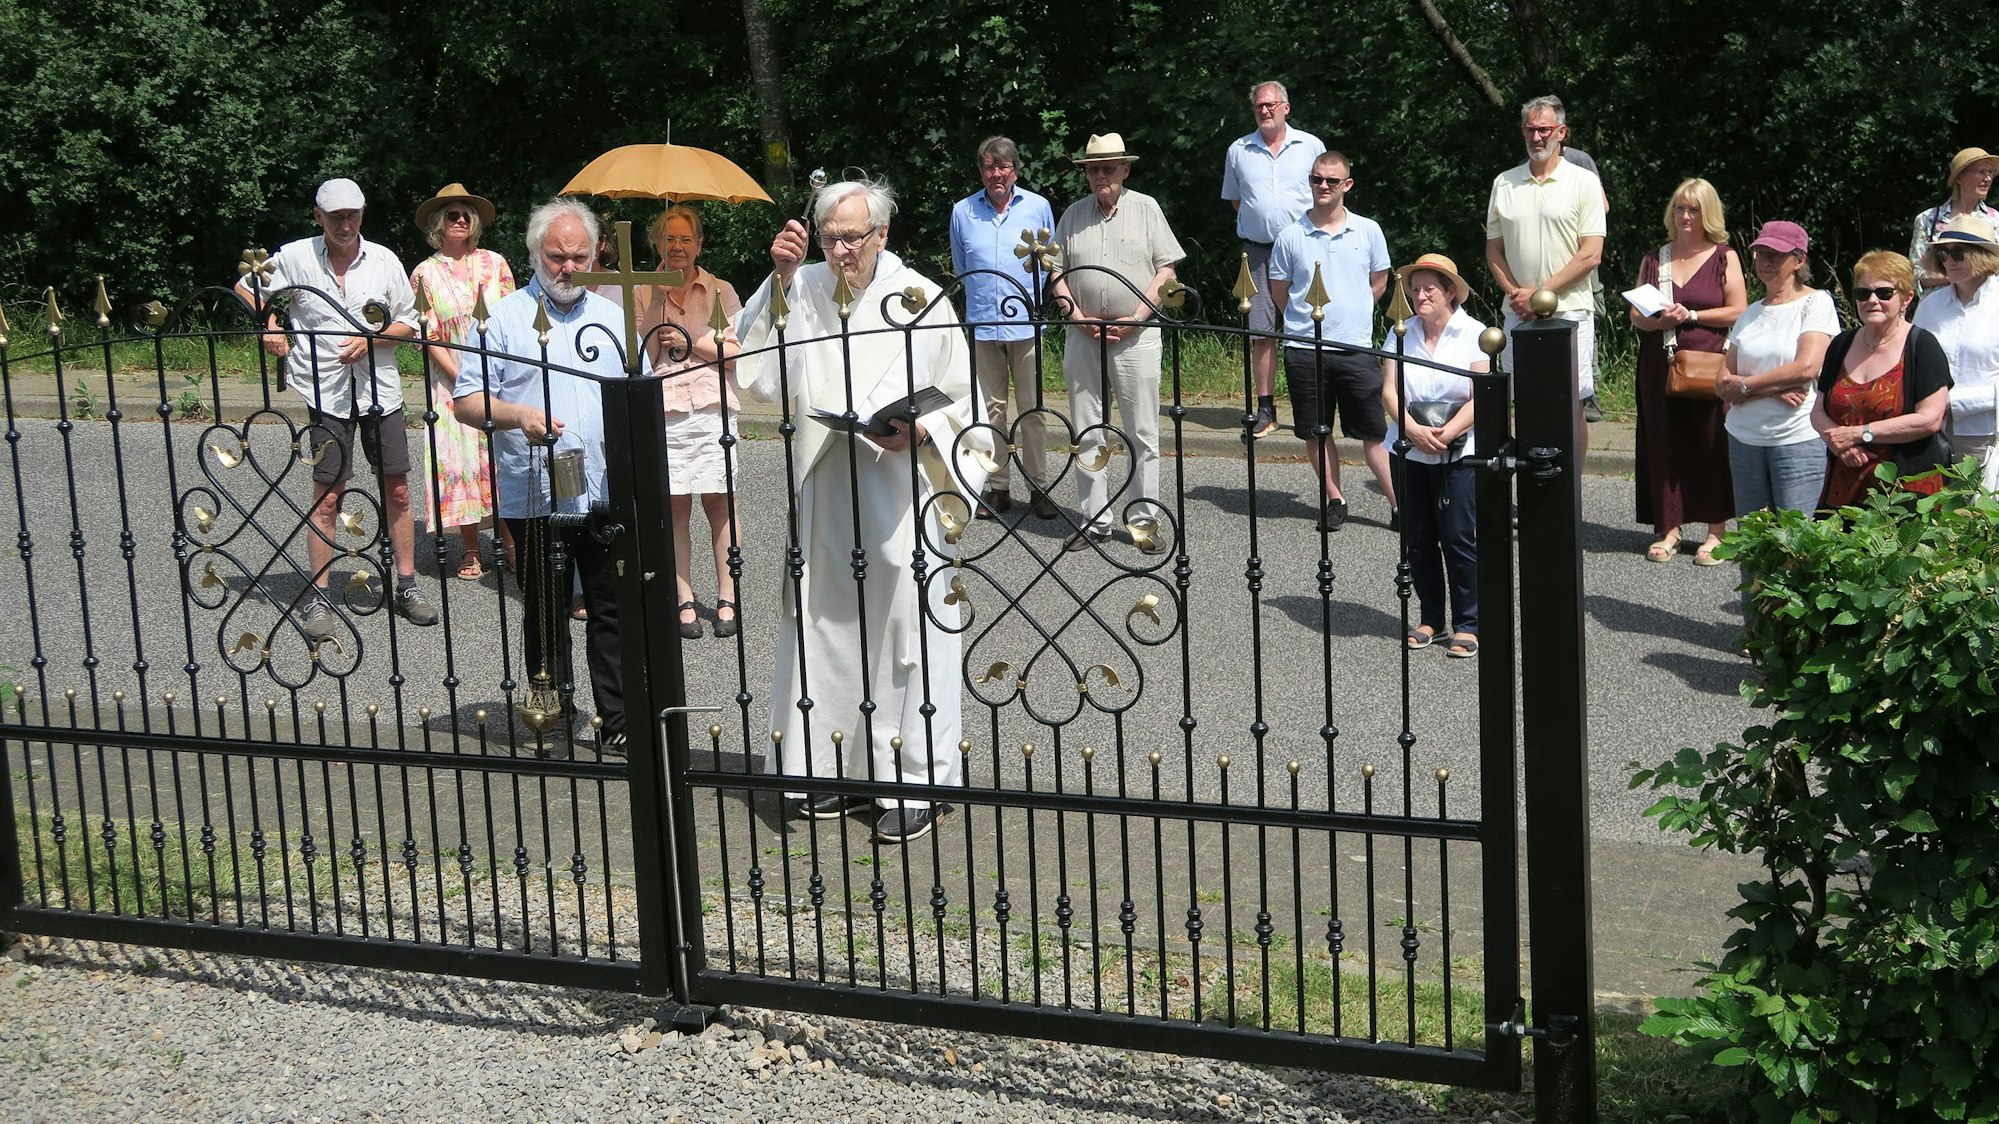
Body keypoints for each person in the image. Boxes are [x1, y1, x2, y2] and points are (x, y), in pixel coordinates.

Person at [735, 177, 991, 844]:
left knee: (906, 629)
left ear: (882, 235)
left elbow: (966, 402)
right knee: (825, 622)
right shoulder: (803, 285)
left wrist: (923, 431)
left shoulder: (921, 299)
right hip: (826, 483)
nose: (840, 250)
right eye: (830, 238)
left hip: (899, 489)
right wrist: (780, 277)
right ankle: (829, 770)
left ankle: (914, 782)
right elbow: (758, 374)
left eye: (852, 237)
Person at [452, 199, 628, 754]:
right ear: (534, 255)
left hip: (603, 487)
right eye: (557, 257)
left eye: (578, 256)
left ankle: (617, 720)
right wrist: (518, 415)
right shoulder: (503, 317)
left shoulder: (613, 317)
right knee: (546, 610)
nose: (568, 268)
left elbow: (636, 394)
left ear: (594, 255)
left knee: (610, 608)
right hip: (535, 489)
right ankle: (551, 714)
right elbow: (466, 401)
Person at [234, 177, 435, 639]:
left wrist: (371, 339)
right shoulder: (295, 257)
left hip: (380, 391)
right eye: (336, 217)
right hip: (324, 390)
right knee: (327, 495)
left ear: (362, 215)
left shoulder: (383, 260)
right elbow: (246, 288)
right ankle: (319, 597)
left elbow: (410, 322)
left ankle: (406, 586)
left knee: (398, 492)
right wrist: (270, 324)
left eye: (353, 216)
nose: (346, 225)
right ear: (318, 216)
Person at [1052, 132, 1185, 553]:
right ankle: (1094, 522)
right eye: (1093, 169)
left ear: (1125, 170)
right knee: (1087, 429)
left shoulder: (1146, 208)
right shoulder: (1073, 215)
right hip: (1083, 334)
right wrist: (1075, 315)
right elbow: (1055, 271)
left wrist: (1137, 317)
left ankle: (1143, 522)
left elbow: (1167, 271)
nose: (1100, 176)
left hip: (1136, 335)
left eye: (1108, 168)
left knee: (1142, 431)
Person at [1266, 150, 1394, 531]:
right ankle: (1335, 498)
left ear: (1347, 185)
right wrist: (1303, 322)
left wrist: (1353, 314)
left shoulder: (1368, 230)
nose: (1322, 186)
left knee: (1375, 432)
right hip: (1306, 348)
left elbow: (1379, 282)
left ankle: (1399, 504)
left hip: (1355, 348)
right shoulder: (1290, 236)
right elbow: (1280, 291)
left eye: (1331, 180)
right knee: (1316, 431)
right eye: (1316, 178)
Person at [634, 205, 744, 641]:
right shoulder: (642, 290)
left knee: (721, 503)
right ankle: (683, 597)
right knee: (675, 506)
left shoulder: (720, 290)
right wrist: (656, 301)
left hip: (713, 406)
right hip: (666, 408)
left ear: (699, 244)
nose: (677, 246)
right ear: (655, 243)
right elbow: (639, 359)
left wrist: (691, 340)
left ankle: (727, 596)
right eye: (668, 238)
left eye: (685, 239)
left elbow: (736, 355)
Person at [1628, 178, 1746, 565]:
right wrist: (1659, 321)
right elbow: (1635, 315)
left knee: (1711, 443)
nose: (1685, 215)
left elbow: (1738, 310)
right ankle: (1669, 528)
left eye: (1694, 209)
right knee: (1663, 441)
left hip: (1709, 361)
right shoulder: (1655, 258)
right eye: (1680, 207)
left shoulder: (1724, 256)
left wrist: (1691, 315)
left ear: (1707, 213)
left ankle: (1716, 532)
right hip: (1659, 363)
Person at [1380, 254, 1488, 658]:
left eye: (1429, 289)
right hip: (1408, 447)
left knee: (1458, 538)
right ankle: (1431, 619)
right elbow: (1389, 391)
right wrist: (1412, 430)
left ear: (1450, 292)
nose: (1420, 295)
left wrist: (1447, 433)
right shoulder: (1400, 332)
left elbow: (1482, 395)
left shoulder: (1475, 333)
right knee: (1418, 539)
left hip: (1457, 451)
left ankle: (1469, 624)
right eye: (1415, 288)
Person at [410, 183, 516, 581]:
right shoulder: (424, 272)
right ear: (439, 223)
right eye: (452, 214)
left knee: (503, 462)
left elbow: (513, 317)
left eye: (466, 215)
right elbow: (428, 335)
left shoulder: (495, 263)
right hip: (451, 382)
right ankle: (471, 549)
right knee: (462, 464)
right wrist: (464, 377)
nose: (460, 220)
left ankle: (512, 545)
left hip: (501, 377)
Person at [1484, 95, 1607, 442]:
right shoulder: (1504, 183)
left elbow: (1591, 254)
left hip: (1570, 311)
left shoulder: (1584, 181)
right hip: (1518, 311)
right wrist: (1517, 295)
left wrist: (1540, 294)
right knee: (1524, 399)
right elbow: (1494, 251)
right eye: (1530, 130)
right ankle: (1532, 474)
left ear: (1561, 132)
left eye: (1544, 130)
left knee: (1572, 403)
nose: (1537, 137)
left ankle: (1571, 479)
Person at [949, 136, 1058, 520]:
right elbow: (962, 267)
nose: (996, 174)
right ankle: (998, 488)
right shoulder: (963, 211)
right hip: (982, 324)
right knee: (990, 411)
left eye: (1003, 166)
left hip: (1025, 325)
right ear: (981, 171)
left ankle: (1038, 487)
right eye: (989, 167)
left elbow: (1050, 262)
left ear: (1015, 170)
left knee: (1032, 411)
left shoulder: (1038, 207)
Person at [1221, 80, 1325, 438]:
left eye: (1271, 104)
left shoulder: (1311, 146)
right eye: (1259, 106)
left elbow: (1325, 193)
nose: (1264, 110)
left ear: (1286, 107)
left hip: (1305, 249)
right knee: (1260, 331)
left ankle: (1313, 405)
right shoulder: (1239, 150)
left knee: (1311, 324)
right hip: (1258, 251)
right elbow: (1238, 201)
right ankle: (1266, 409)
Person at [1811, 251, 1953, 508]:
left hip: (1906, 494)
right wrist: (1841, 445)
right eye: (1863, 293)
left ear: (1907, 298)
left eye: (1884, 293)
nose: (1872, 300)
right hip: (1844, 488)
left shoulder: (1922, 345)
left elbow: (1930, 419)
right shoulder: (1841, 344)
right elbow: (1818, 411)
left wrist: (1860, 434)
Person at [1719, 221, 1838, 521]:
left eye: (1775, 254)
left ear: (1799, 260)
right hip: (1744, 440)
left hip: (1796, 439)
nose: (1765, 261)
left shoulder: (1816, 302)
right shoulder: (1750, 313)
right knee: (1752, 540)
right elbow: (1721, 382)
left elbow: (1807, 367)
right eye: (1760, 253)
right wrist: (1773, 389)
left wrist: (1745, 387)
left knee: (1797, 539)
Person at [1912, 214, 1999, 463]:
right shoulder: (1930, 305)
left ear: (1982, 256)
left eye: (1958, 253)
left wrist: (1953, 402)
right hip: (1931, 433)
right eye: (1943, 254)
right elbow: (1912, 363)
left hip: (1988, 435)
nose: (1949, 261)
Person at [1910, 147, 1999, 291]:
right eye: (1981, 172)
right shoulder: (1927, 219)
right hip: (1938, 303)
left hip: (1984, 302)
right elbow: (1914, 274)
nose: (1987, 178)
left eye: (1990, 172)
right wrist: (1959, 275)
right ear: (1959, 177)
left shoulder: (1995, 220)